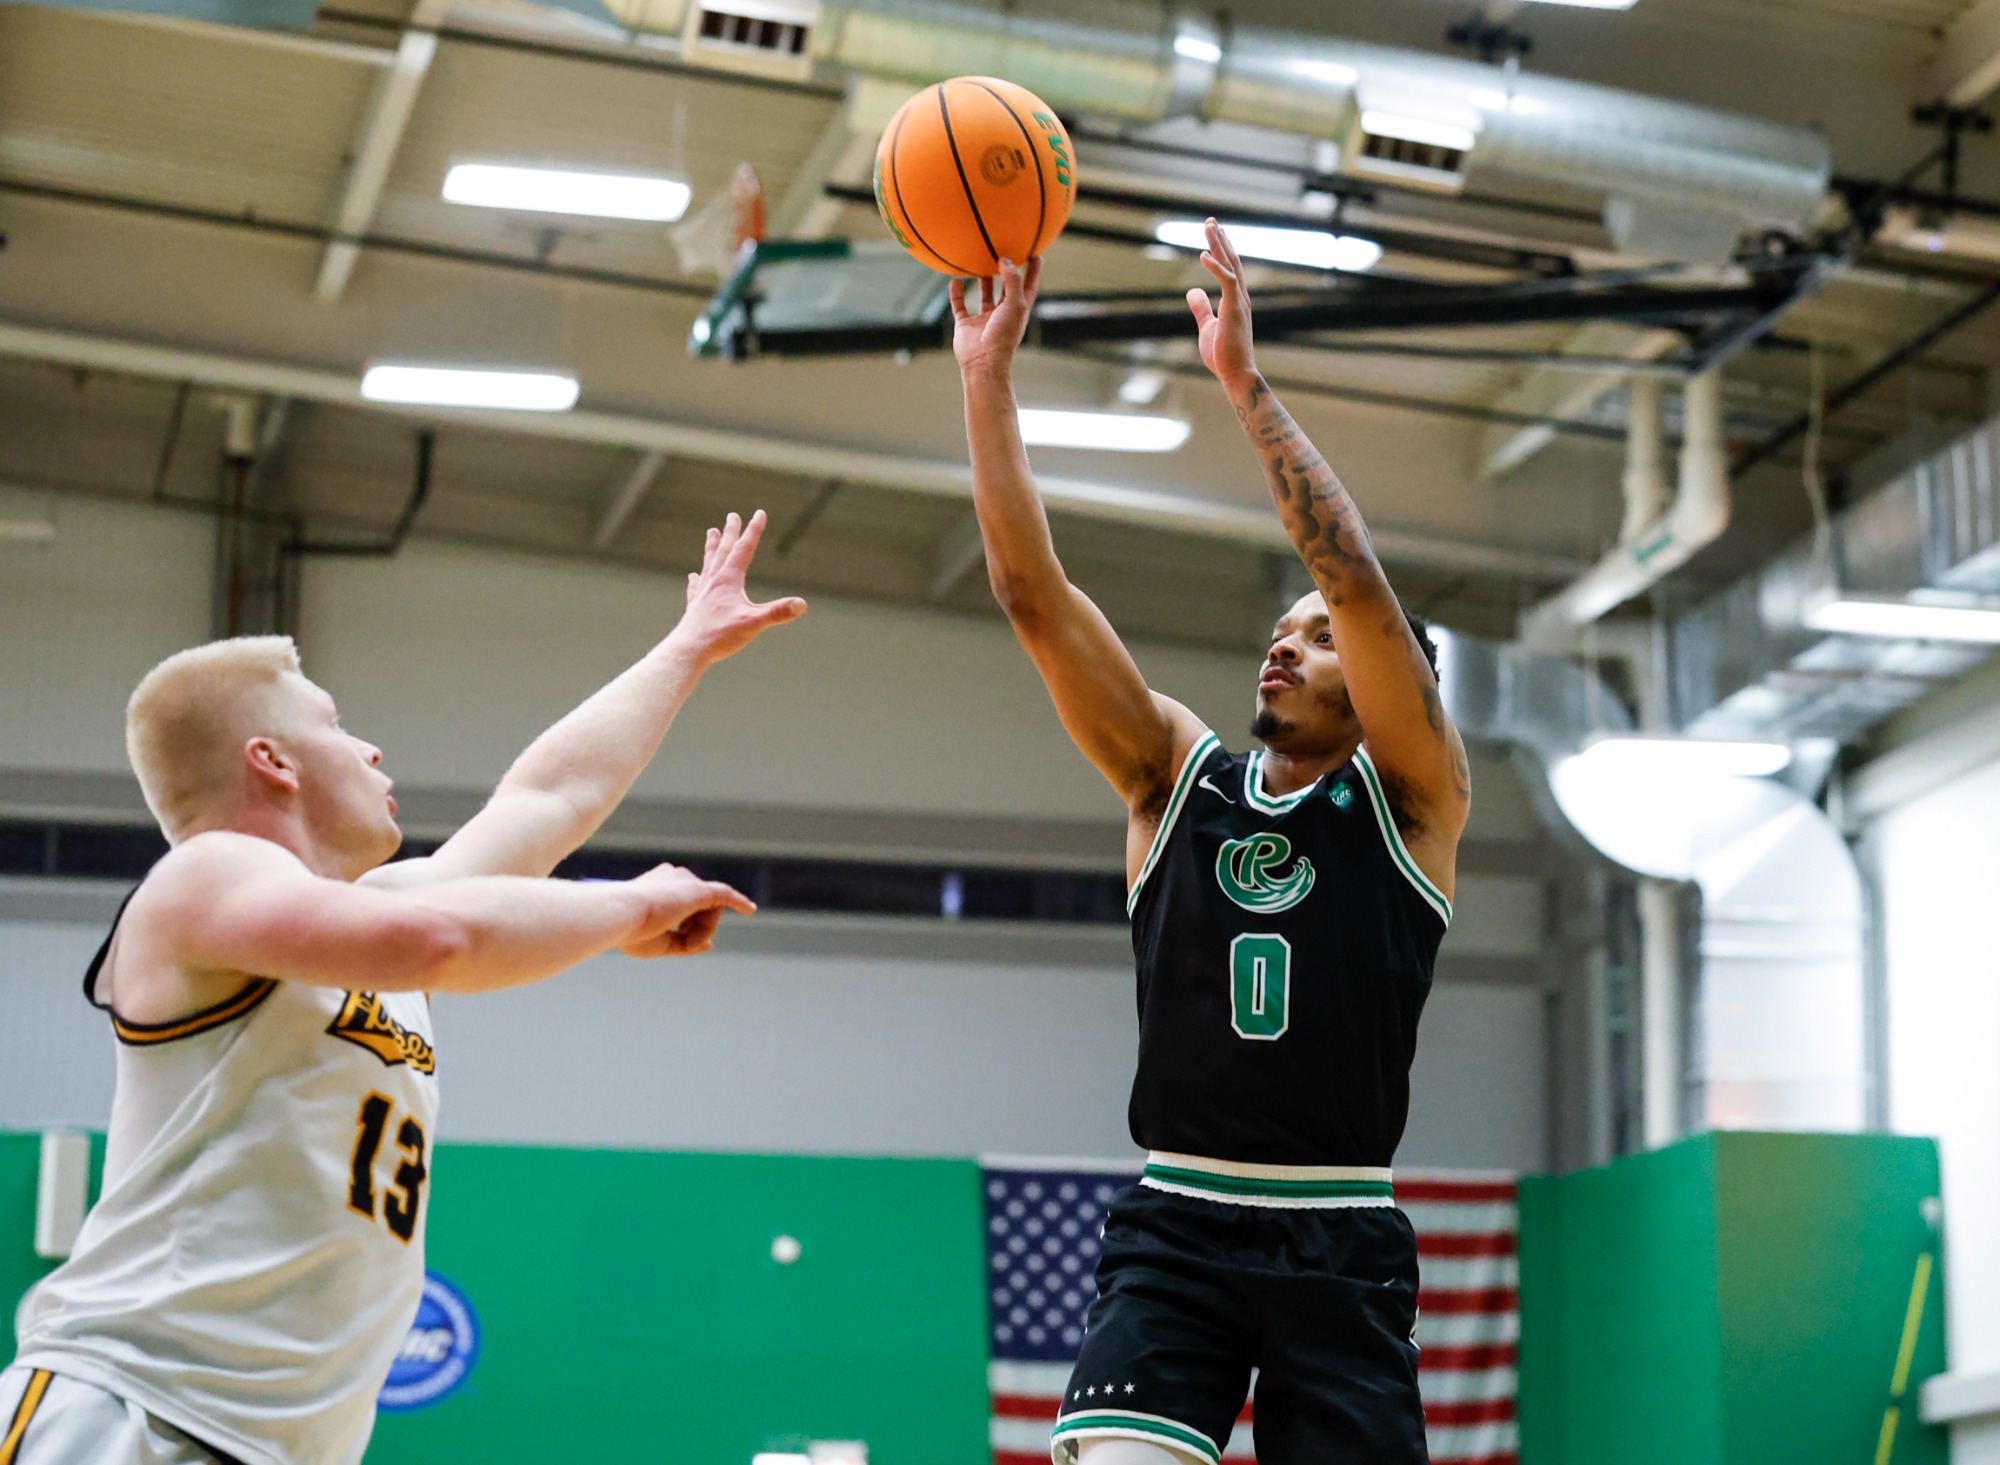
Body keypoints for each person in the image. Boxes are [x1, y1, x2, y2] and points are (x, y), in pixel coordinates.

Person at [0, 513, 805, 1465]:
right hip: (133, 1410)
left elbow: (547, 801)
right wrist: (629, 906)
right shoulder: (203, 877)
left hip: (273, 1446)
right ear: (273, 759)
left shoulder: (360, 908)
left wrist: (688, 647)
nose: (374, 752)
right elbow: (439, 941)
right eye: (339, 726)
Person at [949, 220, 1471, 1465]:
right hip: (1176, 1219)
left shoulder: (1412, 800)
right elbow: (1031, 596)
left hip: (1336, 1234)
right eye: (1279, 630)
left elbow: (1350, 576)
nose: (1285, 643)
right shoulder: (1170, 774)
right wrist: (985, 384)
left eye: (1320, 638)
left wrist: (1242, 383)